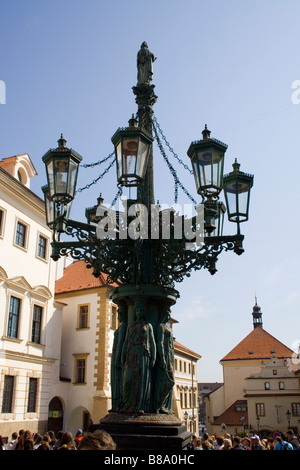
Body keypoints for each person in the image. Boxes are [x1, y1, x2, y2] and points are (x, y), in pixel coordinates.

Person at [121, 303, 156, 413]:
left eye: (141, 311)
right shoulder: (130, 326)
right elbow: (126, 342)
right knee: (128, 380)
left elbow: (152, 341)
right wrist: (122, 356)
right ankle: (127, 405)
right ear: (135, 312)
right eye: (137, 311)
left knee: (141, 380)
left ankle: (140, 406)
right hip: (131, 353)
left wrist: (154, 356)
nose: (139, 313)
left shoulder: (148, 325)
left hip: (143, 354)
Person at [153, 308, 175, 414]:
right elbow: (159, 343)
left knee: (170, 380)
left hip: (168, 355)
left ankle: (163, 404)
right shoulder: (161, 327)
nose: (168, 316)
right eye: (167, 314)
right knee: (165, 380)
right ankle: (159, 404)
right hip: (164, 356)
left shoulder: (166, 327)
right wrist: (161, 357)